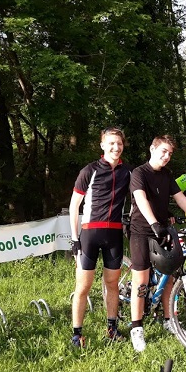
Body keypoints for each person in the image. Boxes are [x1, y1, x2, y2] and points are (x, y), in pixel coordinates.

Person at [129, 135, 186, 352]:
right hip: (142, 230)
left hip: (162, 229)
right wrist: (153, 223)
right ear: (152, 149)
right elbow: (140, 198)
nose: (166, 156)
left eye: (170, 153)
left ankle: (168, 320)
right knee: (141, 280)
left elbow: (181, 198)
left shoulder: (166, 174)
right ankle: (137, 328)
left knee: (170, 276)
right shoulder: (139, 173)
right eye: (163, 151)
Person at [69, 127, 131, 347]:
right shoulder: (90, 170)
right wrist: (75, 239)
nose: (116, 147)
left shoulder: (128, 172)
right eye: (111, 143)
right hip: (90, 234)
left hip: (114, 234)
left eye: (119, 144)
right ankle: (76, 334)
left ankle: (112, 329)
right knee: (83, 287)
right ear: (103, 145)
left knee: (112, 284)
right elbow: (74, 205)